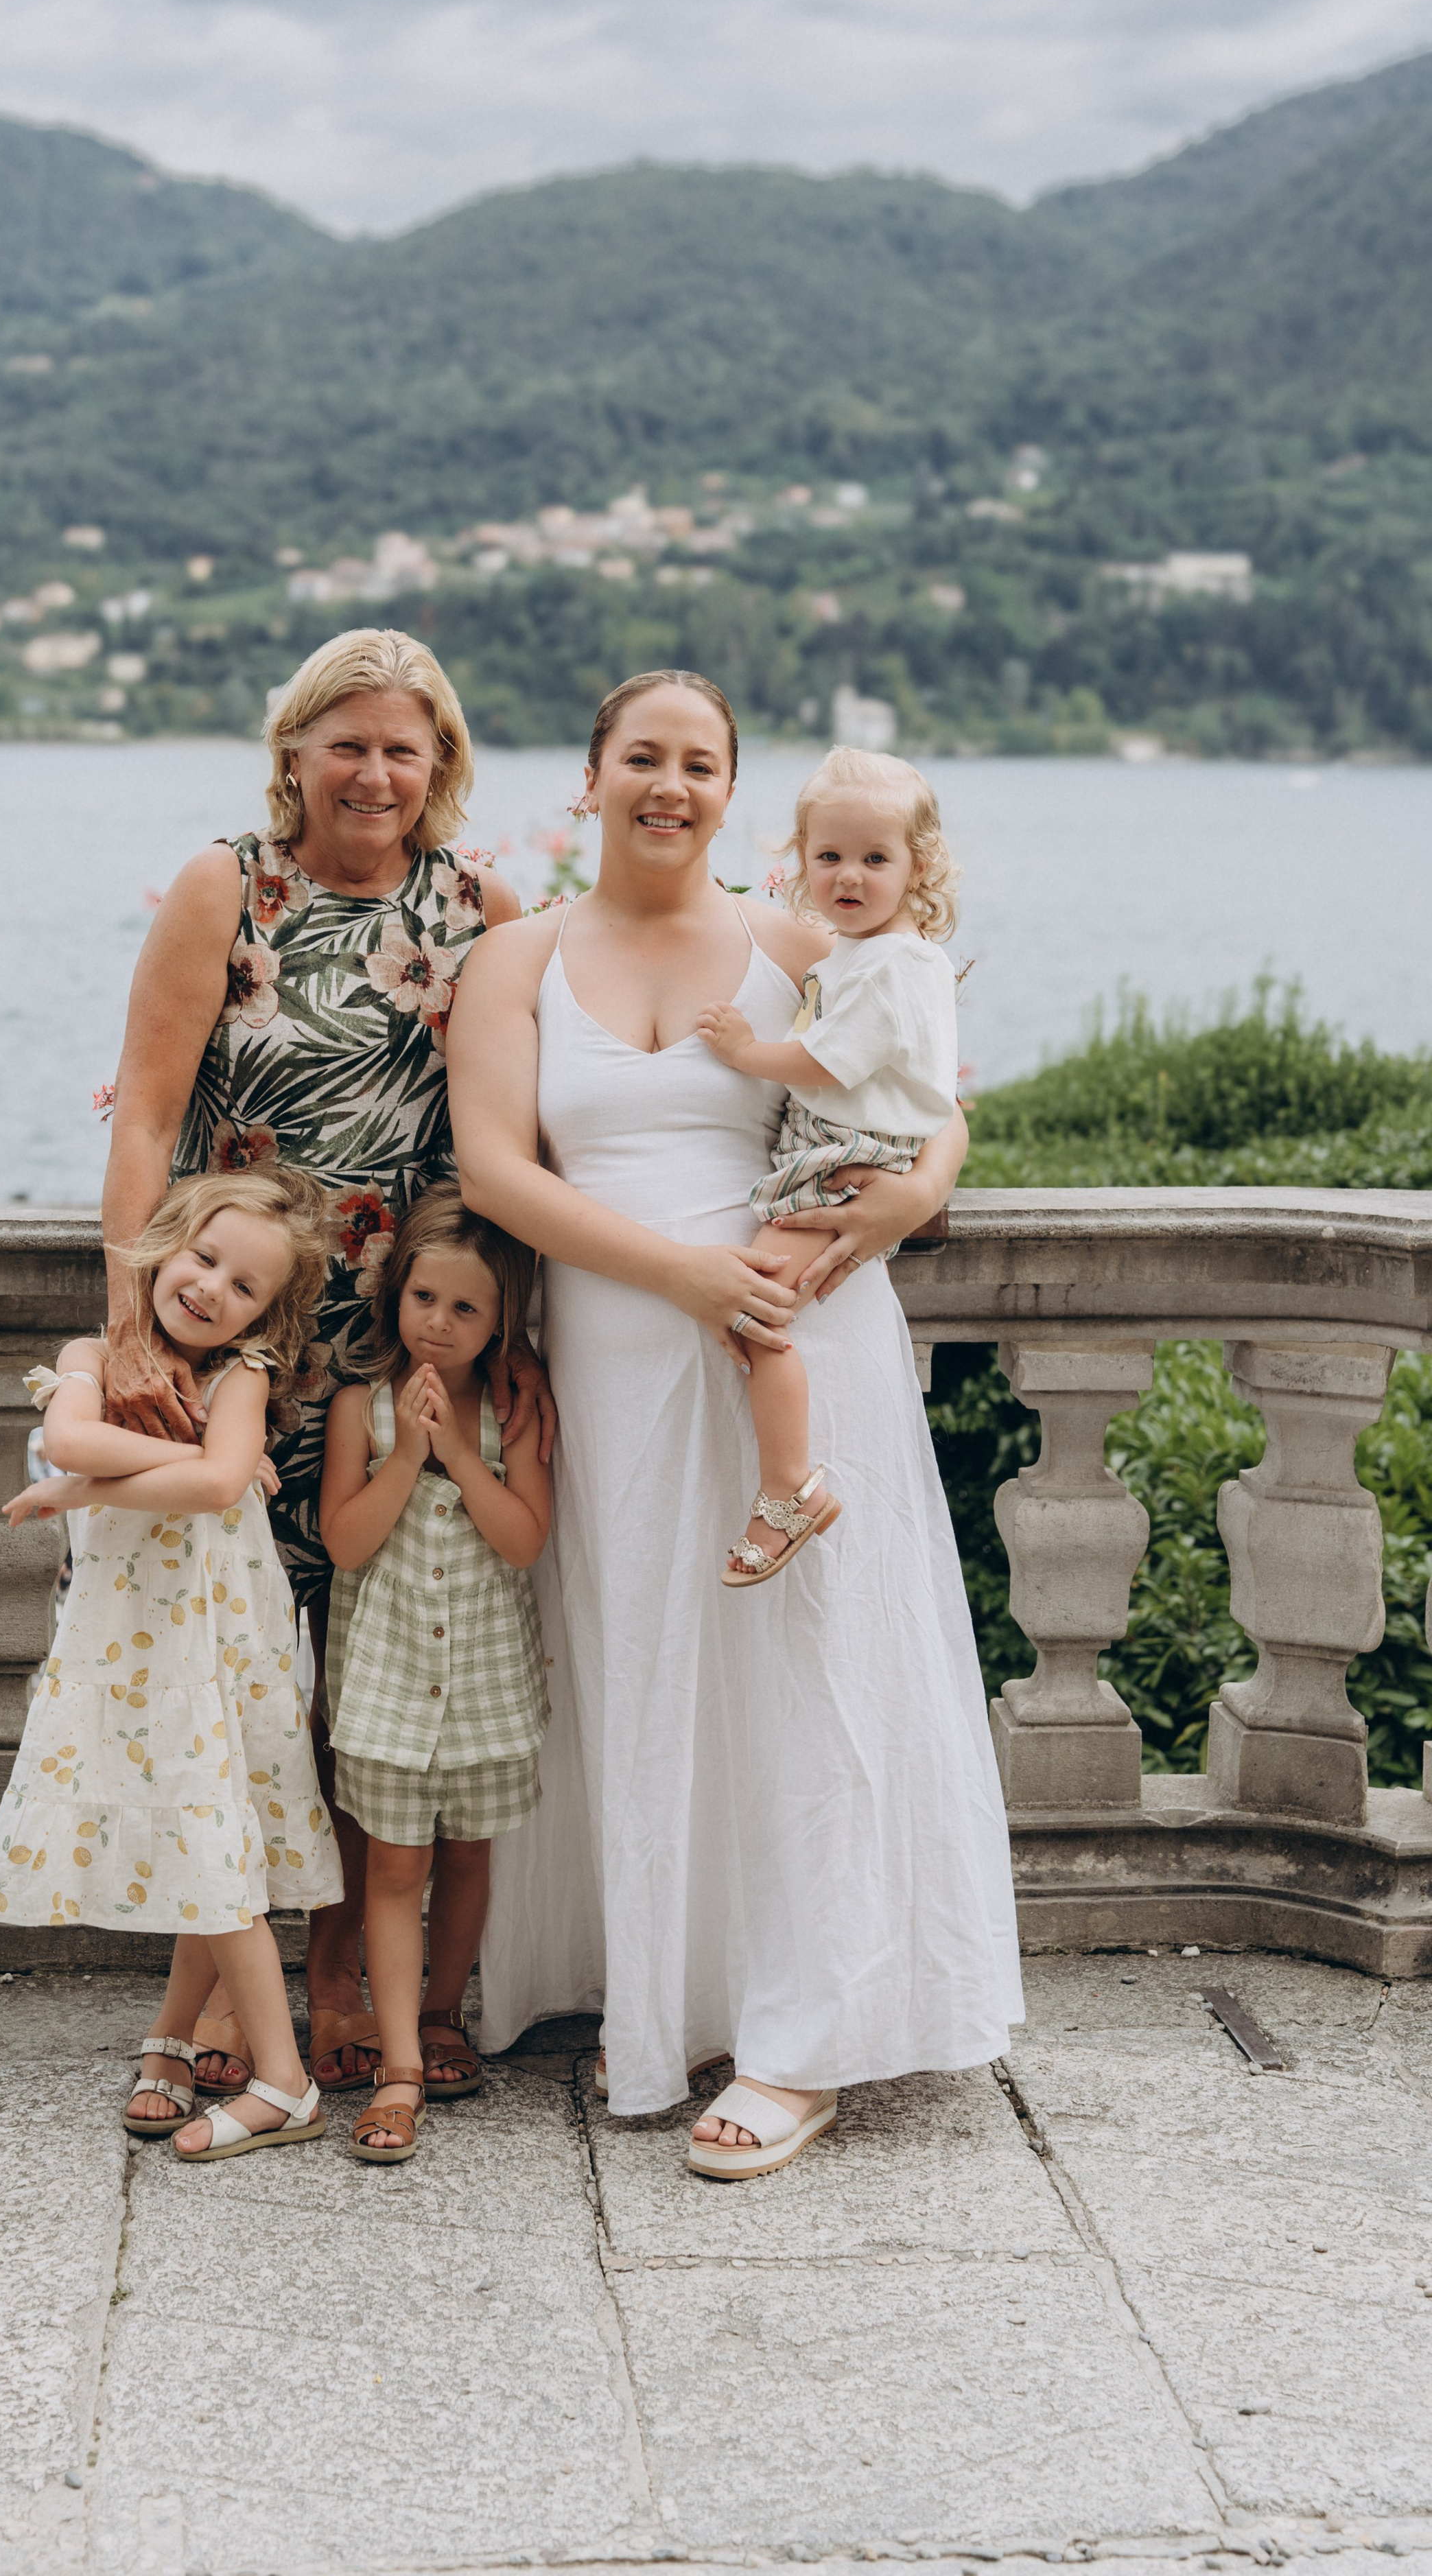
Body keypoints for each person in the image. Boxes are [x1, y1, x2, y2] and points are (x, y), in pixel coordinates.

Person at [449, 669, 1022, 2180]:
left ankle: (803, 2040)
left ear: (729, 794)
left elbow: (927, 1087)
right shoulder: (515, 959)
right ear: (590, 778)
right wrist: (681, 1272)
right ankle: (669, 1993)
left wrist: (911, 1195)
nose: (668, 784)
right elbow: (499, 1176)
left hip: (797, 1337)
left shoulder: (794, 943)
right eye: (641, 756)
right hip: (624, 1354)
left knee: (808, 1679)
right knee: (644, 1659)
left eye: (699, 763)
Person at [96, 627, 551, 2118]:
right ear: (292, 750)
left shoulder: (481, 905)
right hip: (247, 1347)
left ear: (441, 769)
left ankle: (358, 1981)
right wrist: (129, 1328)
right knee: (236, 1678)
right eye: (343, 742)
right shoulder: (224, 887)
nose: (371, 771)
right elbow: (145, 1120)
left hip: (405, 1357)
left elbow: (553, 1102)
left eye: (401, 747)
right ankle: (229, 1989)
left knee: (364, 1688)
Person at [0, 1169, 344, 2162]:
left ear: (269, 1313)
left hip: (209, 1649)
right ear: (163, 1246)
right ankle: (176, 2035)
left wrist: (81, 1487)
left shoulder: (242, 1375)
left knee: (213, 1838)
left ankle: (284, 2082)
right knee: (193, 1826)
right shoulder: (91, 1351)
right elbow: (69, 1428)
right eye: (205, 1259)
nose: (215, 1289)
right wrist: (101, 1466)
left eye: (246, 1287)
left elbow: (219, 1477)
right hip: (132, 1646)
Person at [319, 1186, 551, 2163]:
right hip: (385, 1683)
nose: (441, 1326)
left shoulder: (515, 1410)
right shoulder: (358, 1411)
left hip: (488, 1684)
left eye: (467, 1309)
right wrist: (409, 1452)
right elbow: (346, 1543)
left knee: (467, 1858)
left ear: (502, 1320)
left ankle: (445, 2012)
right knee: (392, 1867)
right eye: (426, 1300)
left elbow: (525, 1542)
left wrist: (458, 1445)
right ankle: (400, 2065)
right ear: (396, 1296)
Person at [695, 747, 962, 1585]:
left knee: (755, 1314)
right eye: (829, 857)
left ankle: (788, 1492)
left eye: (875, 860)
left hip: (846, 1164)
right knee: (753, 1310)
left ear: (917, 867)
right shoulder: (868, 952)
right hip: (833, 1154)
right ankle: (786, 1485)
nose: (848, 877)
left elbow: (826, 1063)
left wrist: (746, 1051)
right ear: (800, 860)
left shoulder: (890, 965)